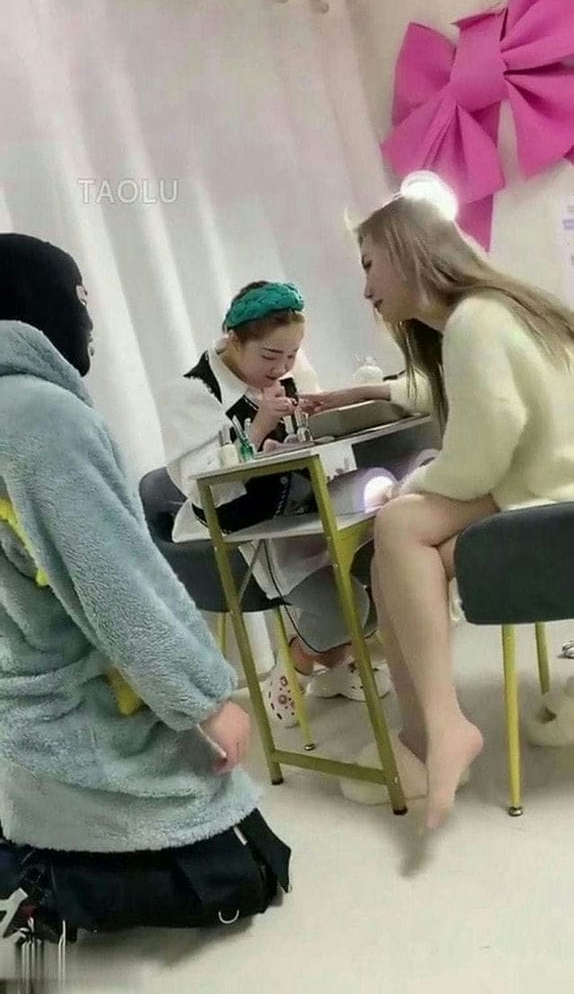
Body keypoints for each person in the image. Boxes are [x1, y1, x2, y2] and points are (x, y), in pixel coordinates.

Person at [0, 234, 290, 939]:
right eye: (77, 301)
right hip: (86, 712)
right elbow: (115, 580)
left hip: (26, 718)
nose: (88, 322)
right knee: (249, 876)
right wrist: (204, 700)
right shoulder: (39, 419)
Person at [311, 192, 574, 829]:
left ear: (407, 253)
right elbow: (450, 394)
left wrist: (416, 482)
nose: (366, 289)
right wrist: (371, 392)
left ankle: (435, 730)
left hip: (548, 511)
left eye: (369, 265)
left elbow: (482, 455)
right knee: (398, 551)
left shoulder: (473, 324)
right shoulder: (499, 311)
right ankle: (426, 735)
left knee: (397, 524)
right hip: (552, 496)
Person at [158, 280, 391, 728]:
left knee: (384, 569)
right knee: (347, 609)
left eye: (292, 354)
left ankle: (336, 663)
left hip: (302, 506)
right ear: (233, 339)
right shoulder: (192, 392)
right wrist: (258, 430)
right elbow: (201, 483)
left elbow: (311, 432)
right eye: (270, 356)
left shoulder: (288, 370)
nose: (283, 367)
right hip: (240, 528)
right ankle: (295, 666)